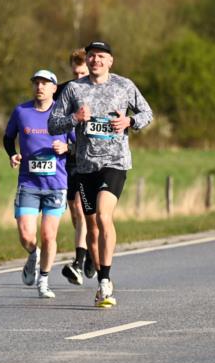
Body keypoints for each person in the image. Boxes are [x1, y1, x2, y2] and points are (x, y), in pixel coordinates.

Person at [48, 41, 153, 308]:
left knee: (105, 216)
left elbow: (147, 113)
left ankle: (105, 281)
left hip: (115, 162)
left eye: (101, 56)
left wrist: (129, 121)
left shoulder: (124, 85)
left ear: (110, 61)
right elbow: (52, 124)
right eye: (91, 56)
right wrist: (75, 118)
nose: (95, 60)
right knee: (92, 227)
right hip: (84, 166)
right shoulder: (73, 89)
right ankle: (100, 280)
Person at [4, 69, 74, 299]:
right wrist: (12, 154)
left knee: (48, 235)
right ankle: (33, 254)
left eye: (45, 83)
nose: (40, 87)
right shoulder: (21, 111)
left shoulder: (63, 115)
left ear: (55, 88)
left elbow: (80, 144)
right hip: (29, 182)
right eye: (36, 83)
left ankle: (43, 280)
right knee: (26, 235)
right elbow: (7, 138)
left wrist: (67, 148)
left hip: (56, 183)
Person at [60, 48, 94, 285]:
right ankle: (89, 247)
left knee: (83, 210)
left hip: (88, 156)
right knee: (75, 211)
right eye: (75, 73)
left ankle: (79, 262)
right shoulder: (64, 90)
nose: (79, 78)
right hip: (67, 159)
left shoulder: (99, 91)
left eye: (83, 73)